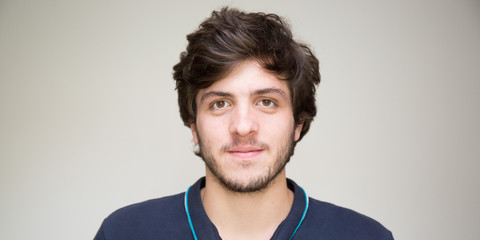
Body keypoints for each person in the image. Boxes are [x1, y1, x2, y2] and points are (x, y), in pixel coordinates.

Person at [93, 7, 393, 240]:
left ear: (298, 123)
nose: (243, 126)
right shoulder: (125, 232)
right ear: (193, 125)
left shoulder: (366, 236)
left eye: (266, 102)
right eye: (219, 104)